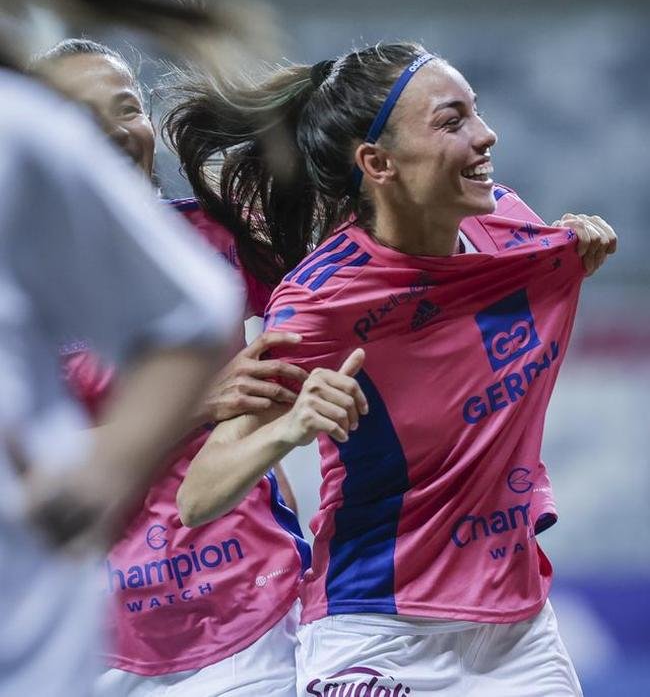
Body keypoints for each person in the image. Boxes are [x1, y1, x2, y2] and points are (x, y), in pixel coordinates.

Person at [175, 42, 617, 696]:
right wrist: (290, 426)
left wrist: (578, 246)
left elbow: (532, 276)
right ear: (377, 163)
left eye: (476, 111)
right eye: (452, 121)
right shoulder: (322, 301)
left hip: (519, 631)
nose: (486, 134)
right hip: (377, 628)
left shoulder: (512, 230)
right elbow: (198, 495)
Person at [35, 38, 311, 697]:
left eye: (126, 107)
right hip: (94, 641)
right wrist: (198, 405)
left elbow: (359, 277)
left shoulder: (217, 238)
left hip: (251, 615)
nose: (113, 130)